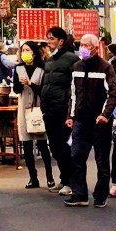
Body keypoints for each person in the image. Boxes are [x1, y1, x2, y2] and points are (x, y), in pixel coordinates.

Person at [63, 33, 116, 208]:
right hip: (80, 121)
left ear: (95, 47)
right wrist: (70, 116)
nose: (83, 48)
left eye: (87, 45)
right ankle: (79, 195)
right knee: (76, 156)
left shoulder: (106, 67)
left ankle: (100, 196)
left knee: (102, 161)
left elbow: (113, 94)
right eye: (82, 45)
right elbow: (73, 94)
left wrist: (105, 115)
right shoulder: (76, 67)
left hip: (100, 122)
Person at [40, 27, 79, 197]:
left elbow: (74, 87)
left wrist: (71, 112)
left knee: (63, 146)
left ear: (61, 41)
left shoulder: (72, 60)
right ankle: (64, 179)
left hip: (63, 109)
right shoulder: (49, 60)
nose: (49, 42)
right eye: (48, 39)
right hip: (49, 109)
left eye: (52, 39)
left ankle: (71, 182)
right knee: (55, 147)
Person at [14, 40, 55, 189]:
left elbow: (44, 91)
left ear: (34, 52)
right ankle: (33, 178)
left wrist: (31, 84)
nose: (25, 53)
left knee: (43, 144)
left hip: (38, 109)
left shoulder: (42, 68)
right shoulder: (18, 69)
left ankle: (50, 177)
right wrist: (20, 84)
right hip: (23, 109)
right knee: (27, 144)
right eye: (23, 50)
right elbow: (16, 90)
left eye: (28, 50)